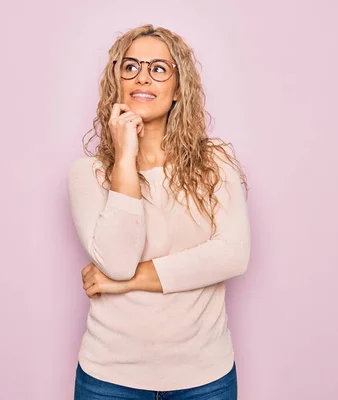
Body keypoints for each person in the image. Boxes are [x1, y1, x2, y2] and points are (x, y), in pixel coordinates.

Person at [67, 24, 250, 399]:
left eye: (159, 68)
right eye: (130, 66)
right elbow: (117, 261)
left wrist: (127, 282)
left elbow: (232, 256)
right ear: (116, 81)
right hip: (109, 379)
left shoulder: (215, 161)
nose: (143, 77)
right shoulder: (88, 173)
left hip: (205, 377)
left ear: (179, 87)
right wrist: (126, 157)